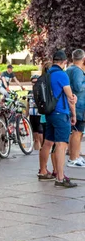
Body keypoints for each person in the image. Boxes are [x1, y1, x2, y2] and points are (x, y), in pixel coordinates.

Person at [37, 50, 77, 188]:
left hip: (49, 114)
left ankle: (42, 171)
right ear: (64, 62)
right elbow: (70, 98)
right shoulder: (62, 75)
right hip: (61, 114)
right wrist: (74, 115)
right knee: (61, 145)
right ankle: (60, 178)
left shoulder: (47, 74)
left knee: (48, 142)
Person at [65, 49, 85, 168]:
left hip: (75, 105)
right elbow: (78, 86)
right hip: (79, 106)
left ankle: (76, 156)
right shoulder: (77, 71)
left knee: (77, 132)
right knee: (77, 132)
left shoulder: (69, 69)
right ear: (83, 59)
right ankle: (73, 158)